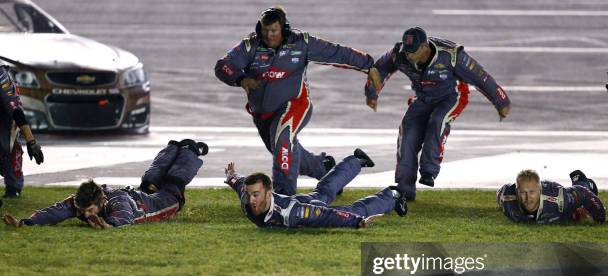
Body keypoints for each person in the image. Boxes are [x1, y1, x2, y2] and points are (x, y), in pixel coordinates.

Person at [215, 7, 381, 195]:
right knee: (285, 153)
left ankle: (284, 198)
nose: (269, 35)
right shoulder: (249, 46)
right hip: (262, 114)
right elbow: (222, 66)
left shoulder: (302, 43)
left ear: (284, 29)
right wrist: (241, 79)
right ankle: (324, 168)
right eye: (265, 30)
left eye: (274, 30)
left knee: (282, 141)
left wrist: (369, 65)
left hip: (294, 104)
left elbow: (336, 53)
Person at [365, 27, 511, 201]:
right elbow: (380, 68)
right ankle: (405, 189)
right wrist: (372, 93)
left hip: (452, 97)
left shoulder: (452, 56)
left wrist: (501, 102)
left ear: (425, 46)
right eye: (407, 50)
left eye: (413, 51)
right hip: (423, 98)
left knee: (438, 120)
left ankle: (429, 171)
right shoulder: (400, 53)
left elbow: (481, 77)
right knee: (407, 132)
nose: (409, 55)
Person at [2, 139, 207, 228]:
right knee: (149, 182)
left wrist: (109, 226)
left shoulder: (117, 201)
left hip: (160, 204)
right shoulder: (82, 202)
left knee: (173, 184)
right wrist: (26, 222)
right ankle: (173, 148)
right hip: (141, 196)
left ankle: (189, 149)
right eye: (85, 211)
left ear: (101, 201)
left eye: (91, 211)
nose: (87, 215)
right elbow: (55, 211)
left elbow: (124, 218)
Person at [225, 148, 408, 229]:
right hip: (301, 201)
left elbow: (327, 216)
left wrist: (356, 222)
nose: (251, 200)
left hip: (303, 205)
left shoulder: (292, 212)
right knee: (324, 191)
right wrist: (231, 175)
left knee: (352, 210)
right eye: (249, 195)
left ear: (268, 192)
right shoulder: (246, 198)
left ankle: (392, 195)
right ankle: (355, 160)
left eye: (256, 195)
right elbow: (239, 183)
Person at [497, 169, 606, 224]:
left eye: (532, 192)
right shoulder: (507, 197)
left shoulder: (558, 197)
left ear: (539, 190)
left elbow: (583, 193)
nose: (527, 197)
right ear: (517, 191)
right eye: (523, 192)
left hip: (562, 199)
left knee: (579, 213)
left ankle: (582, 180)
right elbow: (499, 195)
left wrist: (600, 218)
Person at [0, 65, 44, 199]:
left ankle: (13, 187)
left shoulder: (2, 77)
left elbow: (16, 111)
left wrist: (31, 141)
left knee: (6, 149)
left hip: (4, 116)